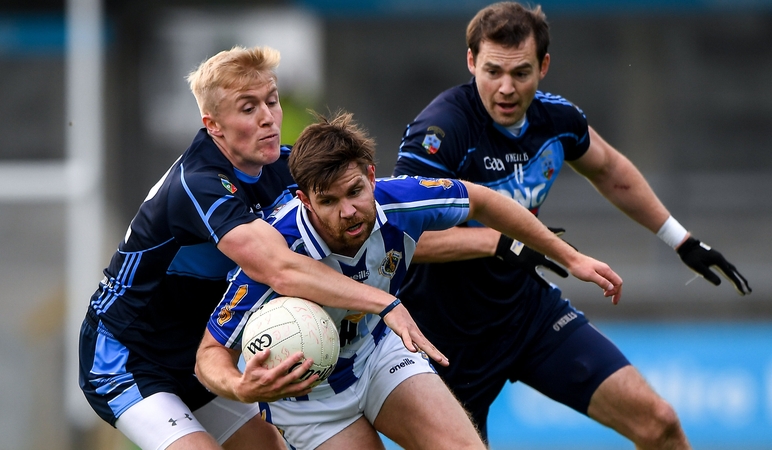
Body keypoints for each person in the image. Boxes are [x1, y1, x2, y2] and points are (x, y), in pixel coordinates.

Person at [392, 2, 752, 449]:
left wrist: (680, 239)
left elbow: (610, 171)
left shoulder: (557, 120)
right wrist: (495, 241)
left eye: (521, 73)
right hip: (445, 337)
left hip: (527, 314)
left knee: (658, 423)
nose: (506, 88)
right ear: (471, 62)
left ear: (543, 66)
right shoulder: (442, 131)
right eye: (492, 72)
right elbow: (399, 234)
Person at [77, 46, 445, 450]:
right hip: (128, 356)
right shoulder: (196, 185)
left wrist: (501, 243)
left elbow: (372, 229)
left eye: (271, 101)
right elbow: (280, 268)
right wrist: (384, 302)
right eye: (248, 108)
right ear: (212, 124)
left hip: (201, 355)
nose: (268, 117)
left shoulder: (285, 171)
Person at [195, 111, 623, 450]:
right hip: (309, 401)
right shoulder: (273, 253)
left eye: (355, 191)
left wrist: (570, 256)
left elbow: (483, 201)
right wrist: (238, 384)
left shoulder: (399, 200)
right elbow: (210, 352)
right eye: (328, 201)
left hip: (379, 354)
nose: (349, 211)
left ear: (371, 175)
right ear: (305, 200)